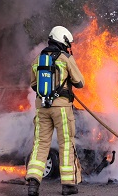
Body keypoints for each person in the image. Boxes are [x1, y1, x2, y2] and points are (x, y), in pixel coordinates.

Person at [26, 26, 84, 196]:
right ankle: (68, 185)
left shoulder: (38, 59)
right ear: (63, 41)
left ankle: (33, 183)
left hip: (42, 108)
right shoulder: (65, 58)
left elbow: (33, 85)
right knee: (66, 143)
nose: (69, 47)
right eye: (68, 44)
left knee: (40, 144)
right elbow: (80, 82)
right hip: (62, 109)